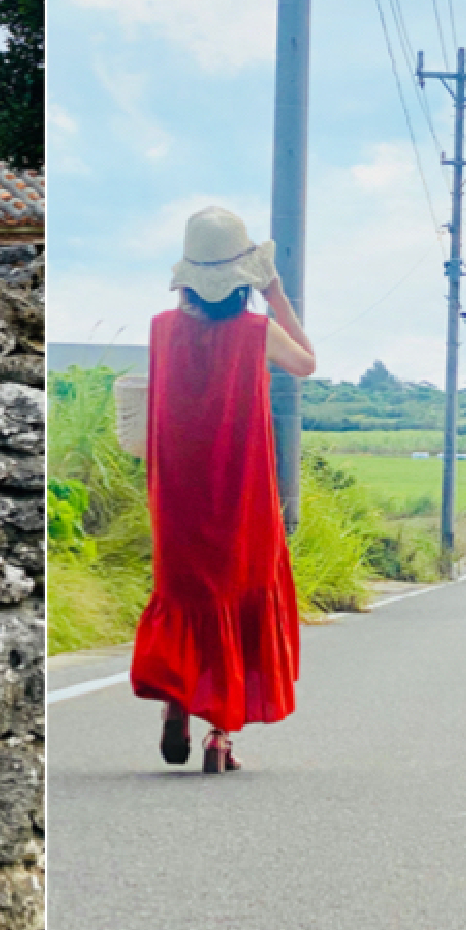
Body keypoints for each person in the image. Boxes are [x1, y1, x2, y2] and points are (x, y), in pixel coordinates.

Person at [130, 206, 316, 775]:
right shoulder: (256, 330)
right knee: (237, 593)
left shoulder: (162, 328)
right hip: (242, 490)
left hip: (177, 487)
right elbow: (306, 363)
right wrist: (277, 297)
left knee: (185, 593)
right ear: (245, 278)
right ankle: (220, 738)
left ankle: (175, 704)